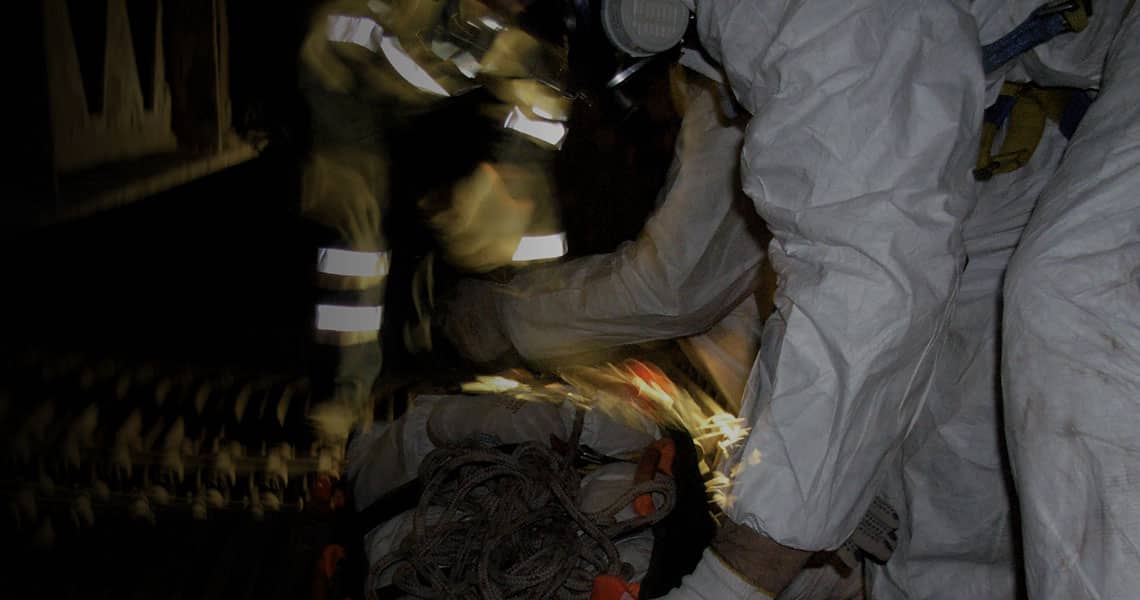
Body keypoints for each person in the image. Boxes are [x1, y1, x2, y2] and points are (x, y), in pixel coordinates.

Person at [443, 0, 1138, 598]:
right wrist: (508, 314)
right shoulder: (728, 33)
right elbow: (692, 272)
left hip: (1106, 56)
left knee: (1074, 305)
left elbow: (867, 272)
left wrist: (735, 576)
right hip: (1022, 127)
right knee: (946, 475)